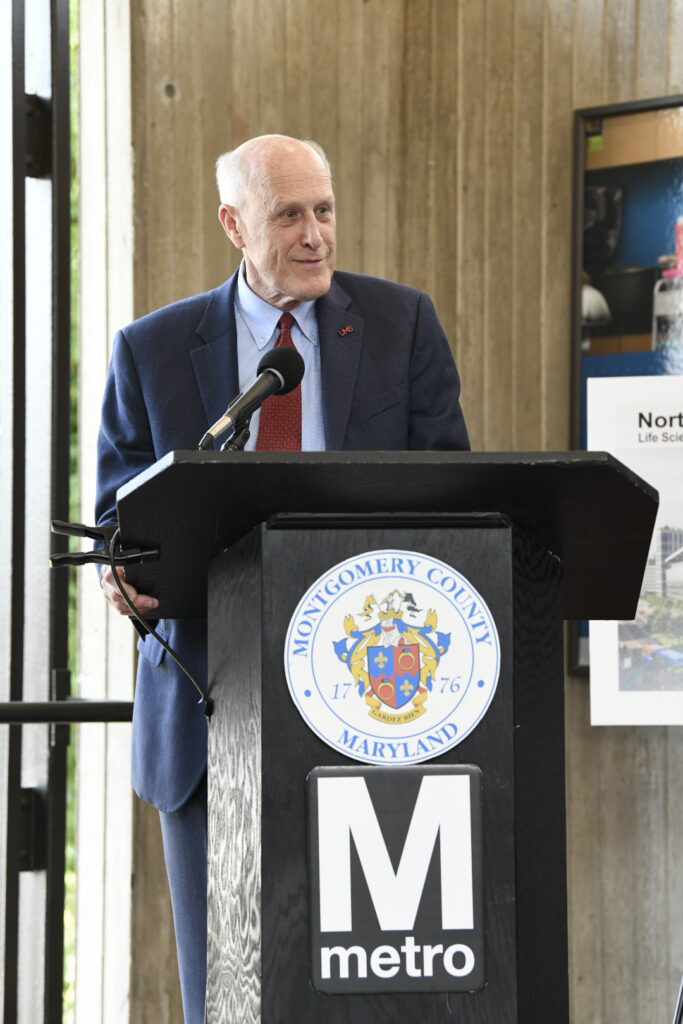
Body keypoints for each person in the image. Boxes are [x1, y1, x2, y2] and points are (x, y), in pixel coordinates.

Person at [96, 134, 469, 1024]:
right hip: (205, 708)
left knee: (365, 993)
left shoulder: (401, 324)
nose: (315, 235)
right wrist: (121, 566)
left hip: (374, 705)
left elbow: (453, 491)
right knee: (224, 993)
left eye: (325, 210)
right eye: (289, 215)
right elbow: (120, 510)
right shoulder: (151, 349)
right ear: (234, 224)